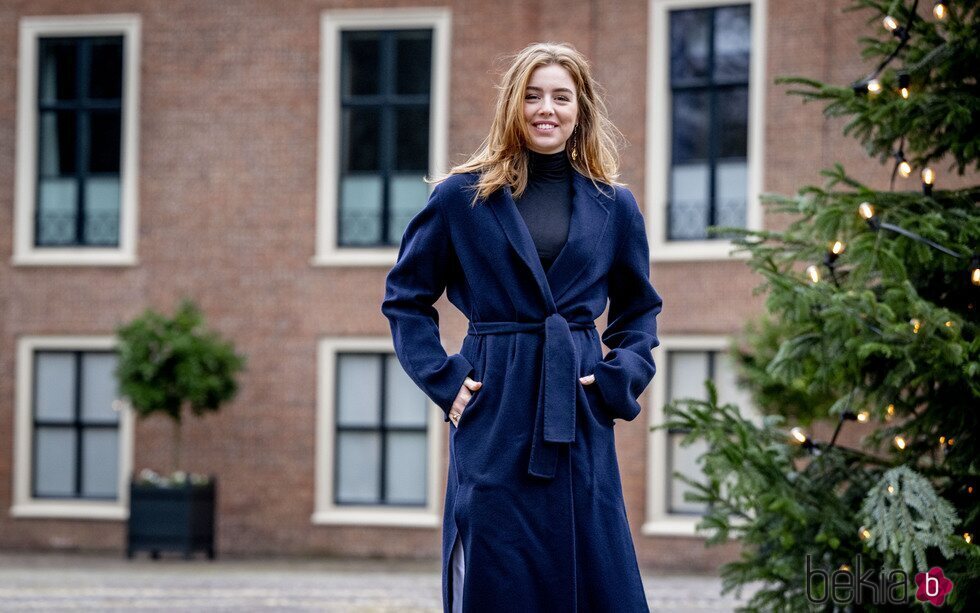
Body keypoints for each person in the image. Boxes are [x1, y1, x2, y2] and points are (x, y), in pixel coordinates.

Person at [382, 41, 662, 613]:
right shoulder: (462, 197)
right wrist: (444, 379)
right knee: (496, 572)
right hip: (496, 407)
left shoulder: (615, 205)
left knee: (593, 569)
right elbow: (406, 298)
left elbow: (638, 313)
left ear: (580, 109)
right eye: (533, 96)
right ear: (514, 104)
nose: (546, 109)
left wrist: (616, 380)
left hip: (576, 411)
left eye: (561, 97)